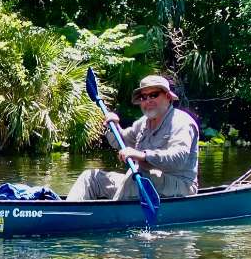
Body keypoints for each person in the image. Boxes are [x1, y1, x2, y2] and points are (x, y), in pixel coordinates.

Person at [66, 75, 199, 201]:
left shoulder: (181, 122)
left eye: (154, 95)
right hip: (140, 182)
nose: (148, 101)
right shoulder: (143, 123)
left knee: (139, 173)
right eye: (143, 97)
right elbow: (122, 142)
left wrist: (142, 156)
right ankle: (68, 211)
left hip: (180, 186)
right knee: (91, 178)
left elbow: (178, 158)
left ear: (168, 96)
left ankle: (111, 212)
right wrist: (114, 127)